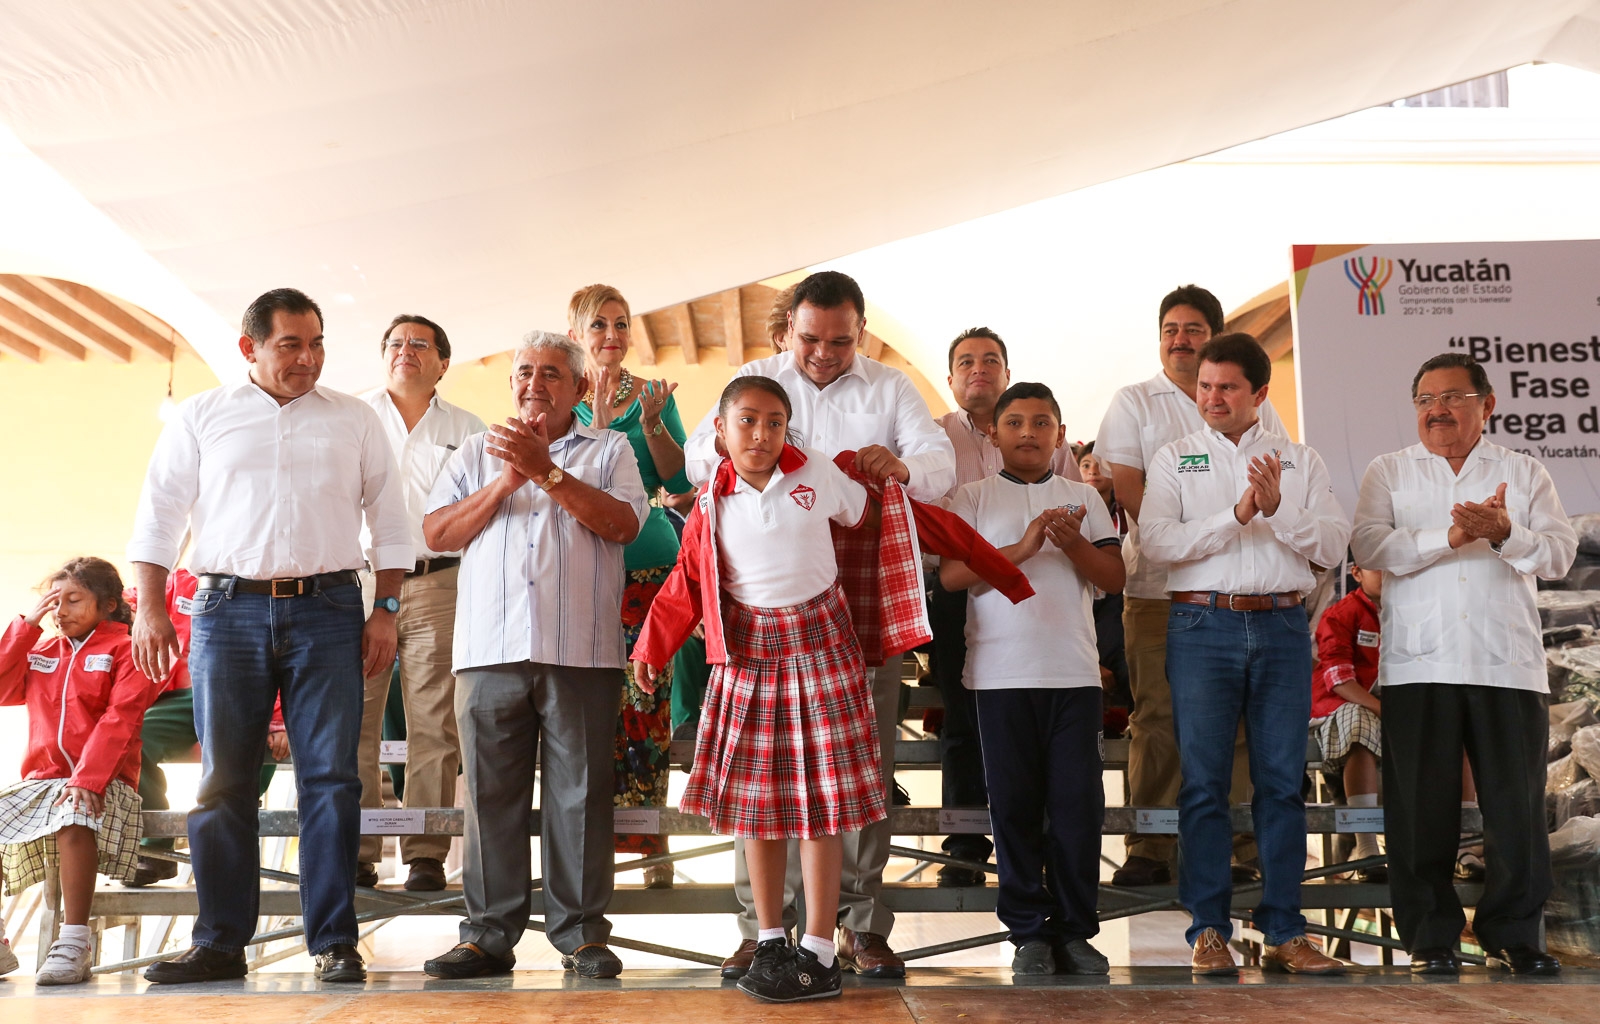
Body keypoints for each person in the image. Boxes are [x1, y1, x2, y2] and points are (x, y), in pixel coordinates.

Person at [129, 287, 413, 985]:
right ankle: (221, 942)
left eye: (316, 344)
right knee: (223, 780)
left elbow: (393, 518)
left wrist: (388, 610)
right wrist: (150, 607)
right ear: (249, 347)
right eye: (291, 344)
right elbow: (160, 514)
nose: (308, 359)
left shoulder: (355, 419)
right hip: (226, 612)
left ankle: (333, 943)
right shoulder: (201, 417)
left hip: (331, 610)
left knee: (332, 779)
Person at [683, 270, 954, 978]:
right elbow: (693, 457)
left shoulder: (890, 388)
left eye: (840, 341)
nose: (825, 353)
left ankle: (856, 925)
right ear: (786, 331)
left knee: (856, 772)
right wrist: (757, 451)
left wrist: (899, 465)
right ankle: (762, 930)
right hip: (760, 609)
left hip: (853, 597)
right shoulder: (753, 382)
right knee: (760, 779)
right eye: (810, 340)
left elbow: (939, 463)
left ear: (860, 332)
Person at [633, 376, 885, 1002]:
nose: (761, 434)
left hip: (823, 643)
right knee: (758, 805)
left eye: (775, 422)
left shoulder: (817, 474)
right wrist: (651, 647)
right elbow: (689, 581)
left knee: (822, 803)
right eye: (747, 421)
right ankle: (771, 939)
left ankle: (822, 949)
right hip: (747, 651)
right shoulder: (710, 501)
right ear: (718, 431)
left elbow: (866, 514)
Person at [419, 331, 645, 981]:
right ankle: (487, 936)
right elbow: (437, 532)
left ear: (579, 388)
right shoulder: (473, 451)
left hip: (582, 650)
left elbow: (623, 525)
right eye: (524, 372)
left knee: (578, 796)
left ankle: (579, 935)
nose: (534, 383)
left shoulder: (610, 449)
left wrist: (547, 473)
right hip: (489, 649)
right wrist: (506, 481)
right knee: (490, 798)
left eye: (551, 373)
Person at [1352, 352, 1576, 977]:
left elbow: (1557, 555)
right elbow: (1370, 546)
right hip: (1419, 665)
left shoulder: (1523, 472)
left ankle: (1515, 935)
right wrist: (1446, 539)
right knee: (1420, 810)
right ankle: (1431, 939)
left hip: (1506, 664)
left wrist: (1506, 532)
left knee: (1516, 809)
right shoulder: (1390, 471)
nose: (1437, 410)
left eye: (1452, 397)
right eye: (1425, 400)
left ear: (1488, 404)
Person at [1141, 333, 1349, 976]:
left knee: (1282, 784)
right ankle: (1208, 928)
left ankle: (1285, 930)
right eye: (1205, 386)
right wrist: (1236, 515)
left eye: (1227, 387)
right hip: (1202, 624)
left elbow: (1336, 542)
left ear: (1260, 393)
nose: (1213, 398)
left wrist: (1278, 512)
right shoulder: (1177, 457)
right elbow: (1156, 542)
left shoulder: (1299, 460)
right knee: (1202, 782)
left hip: (1284, 626)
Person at [1093, 285, 1282, 886]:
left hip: (1239, 586)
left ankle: (1242, 843)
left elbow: (1273, 485)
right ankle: (1152, 845)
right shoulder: (1134, 403)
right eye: (1171, 329)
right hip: (1157, 587)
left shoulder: (1257, 405)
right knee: (1158, 713)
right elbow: (1128, 490)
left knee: (1241, 716)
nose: (1181, 340)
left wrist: (1217, 536)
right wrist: (1206, 533)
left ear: (1216, 338)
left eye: (1194, 329)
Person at [942, 382, 1123, 976]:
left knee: (1076, 808)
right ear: (993, 433)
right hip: (999, 676)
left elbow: (1114, 578)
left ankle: (1074, 930)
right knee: (1014, 808)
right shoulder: (970, 497)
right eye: (1014, 422)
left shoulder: (1082, 497)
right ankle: (1028, 933)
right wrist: (1019, 549)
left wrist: (1071, 545)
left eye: (1041, 422)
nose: (1027, 432)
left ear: (1061, 435)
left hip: (1072, 675)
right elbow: (950, 578)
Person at [929, 327, 1082, 888]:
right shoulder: (932, 436)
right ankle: (967, 840)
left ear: (1007, 373)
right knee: (962, 709)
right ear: (950, 380)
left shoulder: (1042, 431)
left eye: (991, 360)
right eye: (966, 362)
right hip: (958, 584)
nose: (979, 369)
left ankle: (1037, 841)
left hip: (1040, 585)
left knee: (1036, 724)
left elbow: (1068, 503)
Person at [354, 314, 486, 892]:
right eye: (395, 343)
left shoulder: (468, 428)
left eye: (419, 344)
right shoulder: (350, 417)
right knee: (355, 714)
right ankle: (356, 848)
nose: (405, 351)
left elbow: (482, 512)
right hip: (357, 584)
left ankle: (427, 851)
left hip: (438, 581)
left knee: (435, 718)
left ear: (443, 363)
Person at [568, 284, 692, 889]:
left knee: (644, 701)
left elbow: (679, 479)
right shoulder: (559, 395)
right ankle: (591, 846)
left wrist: (651, 425)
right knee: (587, 704)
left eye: (621, 324)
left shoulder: (652, 395)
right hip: (576, 567)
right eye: (598, 325)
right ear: (576, 335)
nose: (611, 335)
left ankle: (651, 837)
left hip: (647, 562)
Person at [0, 558, 153, 985]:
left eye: (73, 600)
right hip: (44, 781)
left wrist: (88, 779)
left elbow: (120, 718)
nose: (60, 610)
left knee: (73, 815)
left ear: (107, 605)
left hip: (106, 781)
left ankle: (74, 941)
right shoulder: (42, 649)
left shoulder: (127, 648)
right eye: (54, 601)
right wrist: (25, 627)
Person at [128, 568, 287, 887]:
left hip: (248, 693)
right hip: (180, 697)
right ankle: (155, 848)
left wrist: (280, 718)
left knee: (254, 748)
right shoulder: (178, 581)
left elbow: (282, 653)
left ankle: (232, 845)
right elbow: (129, 601)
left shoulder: (266, 577)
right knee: (132, 737)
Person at [1309, 558, 1385, 880]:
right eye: (1378, 566)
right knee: (1361, 719)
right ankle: (1367, 845)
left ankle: (1462, 844)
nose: (1388, 574)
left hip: (1385, 703)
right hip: (1340, 701)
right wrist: (1385, 711)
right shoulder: (1342, 613)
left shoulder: (1413, 610)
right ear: (1356, 573)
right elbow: (1338, 679)